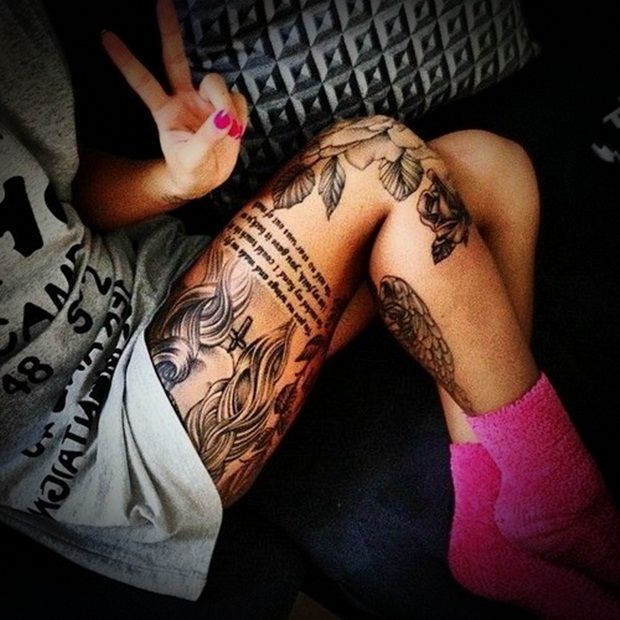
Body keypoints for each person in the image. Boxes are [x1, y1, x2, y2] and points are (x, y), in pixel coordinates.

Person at [0, 1, 618, 618]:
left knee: (491, 167)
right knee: (378, 159)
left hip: (158, 282)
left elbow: (59, 193)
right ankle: (561, 507)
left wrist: (173, 181)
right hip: (96, 432)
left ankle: (489, 523)